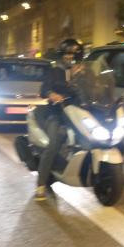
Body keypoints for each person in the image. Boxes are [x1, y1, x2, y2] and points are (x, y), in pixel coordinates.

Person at [33, 38, 84, 201]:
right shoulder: (55, 70)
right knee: (54, 142)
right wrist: (52, 94)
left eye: (74, 55)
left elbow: (94, 88)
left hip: (77, 112)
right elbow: (44, 89)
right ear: (62, 55)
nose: (70, 58)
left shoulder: (83, 72)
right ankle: (41, 184)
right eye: (67, 54)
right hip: (57, 113)